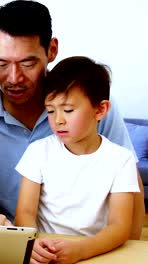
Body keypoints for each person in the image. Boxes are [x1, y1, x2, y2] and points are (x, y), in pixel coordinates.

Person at [0, 0, 145, 239]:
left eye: (27, 63)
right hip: (17, 241)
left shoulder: (90, 105)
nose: (14, 78)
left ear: (51, 50)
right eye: (0, 63)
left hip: (95, 244)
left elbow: (129, 183)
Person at [14, 56, 139, 264]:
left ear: (100, 110)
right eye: (51, 111)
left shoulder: (120, 160)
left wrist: (82, 250)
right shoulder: (38, 151)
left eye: (68, 110)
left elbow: (119, 226)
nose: (58, 120)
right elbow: (25, 212)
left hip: (95, 251)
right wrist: (33, 243)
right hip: (45, 250)